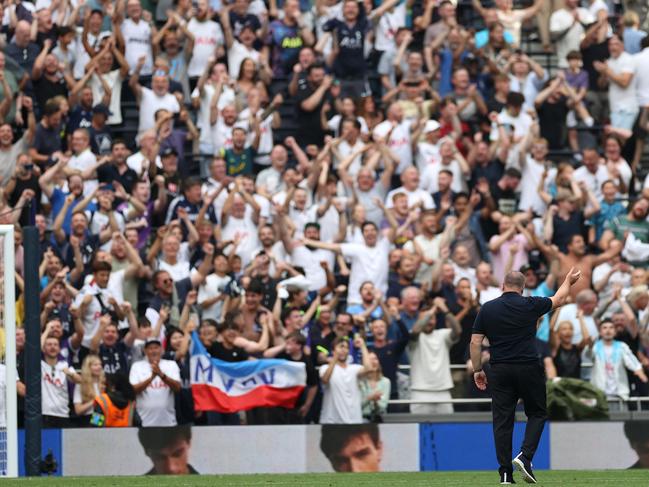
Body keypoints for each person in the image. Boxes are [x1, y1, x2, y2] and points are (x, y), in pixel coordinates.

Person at [470, 268, 582, 484]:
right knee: (537, 413)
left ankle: (504, 473)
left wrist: (477, 370)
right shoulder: (531, 304)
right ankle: (525, 456)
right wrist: (568, 280)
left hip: (500, 369)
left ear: (502, 286)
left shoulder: (488, 308)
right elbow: (559, 299)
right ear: (522, 289)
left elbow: (475, 342)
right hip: (528, 366)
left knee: (502, 421)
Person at [129, 337, 182, 427]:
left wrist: (161, 375)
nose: (153, 351)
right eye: (150, 348)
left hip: (168, 422)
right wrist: (152, 378)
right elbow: (133, 390)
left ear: (161, 349)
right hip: (144, 422)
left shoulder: (171, 364)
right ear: (145, 351)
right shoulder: (137, 366)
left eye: (156, 348)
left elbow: (177, 388)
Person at [319, 335, 371, 424]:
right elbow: (325, 379)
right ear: (333, 350)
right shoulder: (324, 368)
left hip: (354, 420)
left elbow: (368, 368)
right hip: (331, 421)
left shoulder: (354, 368)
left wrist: (363, 346)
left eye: (346, 348)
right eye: (340, 347)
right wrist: (335, 357)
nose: (343, 350)